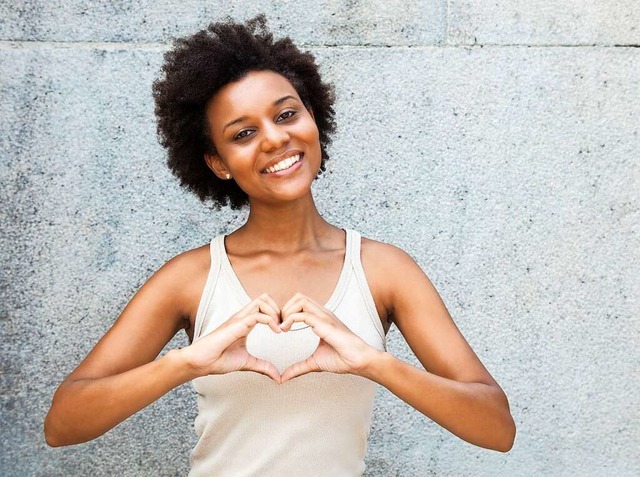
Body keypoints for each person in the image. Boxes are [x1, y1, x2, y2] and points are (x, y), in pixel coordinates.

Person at [44, 14, 516, 475]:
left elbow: (497, 429)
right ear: (218, 163)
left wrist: (374, 364)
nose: (275, 138)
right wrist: (185, 363)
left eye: (287, 114)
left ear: (313, 119)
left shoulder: (383, 270)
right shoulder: (191, 278)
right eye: (243, 134)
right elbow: (63, 423)